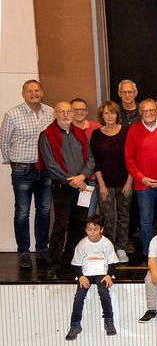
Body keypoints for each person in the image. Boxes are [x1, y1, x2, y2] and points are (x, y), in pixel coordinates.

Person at [39, 102, 96, 279]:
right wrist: (71, 180)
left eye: (68, 111)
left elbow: (91, 160)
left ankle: (71, 263)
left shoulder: (80, 134)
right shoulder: (47, 135)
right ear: (55, 114)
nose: (65, 114)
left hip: (81, 186)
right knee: (60, 226)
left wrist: (82, 176)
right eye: (61, 112)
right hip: (62, 187)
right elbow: (50, 164)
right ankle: (54, 266)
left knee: (79, 226)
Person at [3, 80, 54, 268]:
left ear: (42, 92)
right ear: (23, 93)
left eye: (37, 90)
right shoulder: (12, 114)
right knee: (23, 212)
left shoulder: (50, 112)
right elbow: (4, 143)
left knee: (45, 210)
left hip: (46, 170)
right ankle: (24, 251)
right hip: (22, 170)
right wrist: (15, 163)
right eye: (30, 91)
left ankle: (42, 248)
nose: (34, 93)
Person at [90, 101, 132, 263]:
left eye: (112, 113)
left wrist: (129, 182)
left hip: (124, 182)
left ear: (117, 115)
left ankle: (120, 248)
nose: (109, 116)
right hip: (105, 183)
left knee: (123, 216)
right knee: (107, 217)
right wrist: (101, 185)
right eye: (106, 113)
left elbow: (131, 159)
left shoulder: (126, 132)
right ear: (101, 116)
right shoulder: (96, 135)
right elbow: (96, 162)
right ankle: (108, 248)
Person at [65, 215, 118, 340]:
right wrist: (81, 276)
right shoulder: (82, 244)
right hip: (86, 273)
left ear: (101, 229)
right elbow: (77, 263)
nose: (92, 232)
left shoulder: (106, 244)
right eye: (89, 229)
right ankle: (75, 324)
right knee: (79, 296)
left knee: (104, 292)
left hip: (101, 273)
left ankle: (108, 321)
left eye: (95, 229)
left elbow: (112, 262)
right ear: (86, 230)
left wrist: (109, 275)